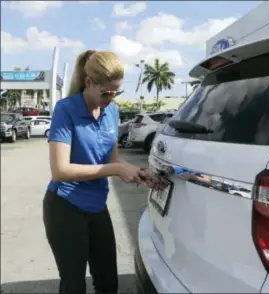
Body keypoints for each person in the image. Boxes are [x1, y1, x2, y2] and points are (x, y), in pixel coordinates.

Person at [43, 49, 163, 294]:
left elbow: (112, 160)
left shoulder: (112, 112)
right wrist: (116, 168)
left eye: (117, 92)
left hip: (97, 205)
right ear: (89, 83)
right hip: (66, 205)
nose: (112, 98)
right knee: (74, 285)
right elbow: (60, 171)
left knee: (108, 282)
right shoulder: (66, 110)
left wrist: (136, 172)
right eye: (107, 93)